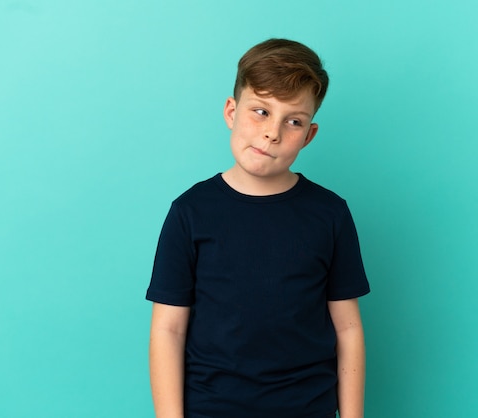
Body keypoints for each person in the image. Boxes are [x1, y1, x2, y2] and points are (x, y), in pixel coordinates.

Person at [146, 38, 370, 418]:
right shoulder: (190, 212)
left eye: (293, 121)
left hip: (306, 409)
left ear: (309, 135)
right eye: (261, 111)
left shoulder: (330, 214)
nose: (272, 133)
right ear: (231, 111)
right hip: (211, 409)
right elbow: (168, 330)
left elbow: (348, 330)